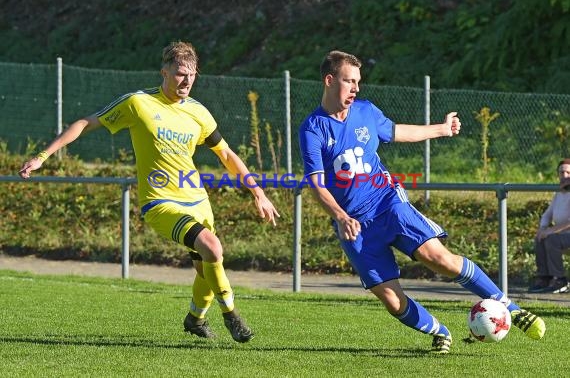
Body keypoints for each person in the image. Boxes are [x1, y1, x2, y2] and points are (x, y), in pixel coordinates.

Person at [19, 41, 280, 343]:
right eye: (180, 74)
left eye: (192, 75)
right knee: (213, 248)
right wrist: (42, 156)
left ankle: (195, 319)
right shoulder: (138, 103)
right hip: (161, 202)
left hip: (197, 199)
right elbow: (85, 123)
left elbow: (227, 155)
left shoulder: (199, 112)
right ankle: (231, 315)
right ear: (164, 72)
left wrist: (257, 191)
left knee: (207, 267)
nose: (186, 81)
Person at [298, 50, 546, 354]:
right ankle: (440, 332)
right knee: (392, 300)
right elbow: (316, 184)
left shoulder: (366, 111)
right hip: (354, 225)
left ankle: (513, 310)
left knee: (437, 257)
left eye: (358, 82)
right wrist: (339, 215)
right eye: (350, 81)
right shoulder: (313, 129)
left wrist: (441, 130)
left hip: (387, 203)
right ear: (329, 80)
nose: (356, 88)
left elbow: (398, 131)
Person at [528, 158, 570, 293]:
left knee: (552, 239)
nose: (564, 176)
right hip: (562, 233)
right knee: (541, 238)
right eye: (561, 173)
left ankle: (560, 279)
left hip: (566, 234)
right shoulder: (559, 192)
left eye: (568, 173)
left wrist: (551, 231)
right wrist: (543, 229)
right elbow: (548, 214)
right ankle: (545, 277)